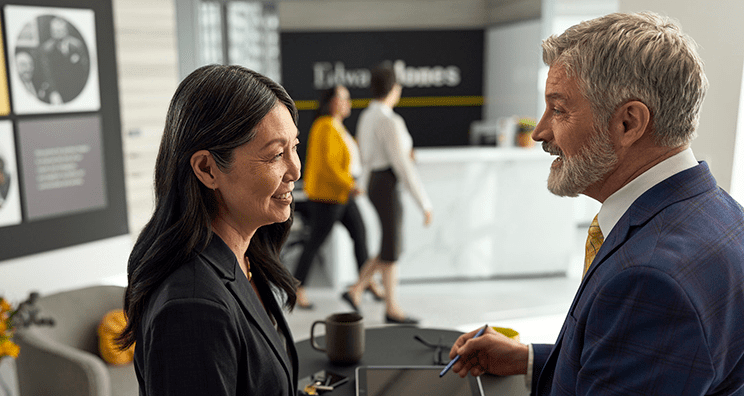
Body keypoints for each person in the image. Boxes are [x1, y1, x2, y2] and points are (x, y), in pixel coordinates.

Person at [447, 12, 744, 395]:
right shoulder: (724, 216)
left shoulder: (651, 280)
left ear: (628, 123)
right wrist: (529, 359)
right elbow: (644, 363)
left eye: (558, 109)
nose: (539, 132)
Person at [117, 64, 302, 395]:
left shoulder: (245, 257)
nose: (295, 169)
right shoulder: (192, 309)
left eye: (295, 147)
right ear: (207, 168)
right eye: (276, 154)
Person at [343, 64, 433, 325]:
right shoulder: (389, 120)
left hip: (375, 185)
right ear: (394, 89)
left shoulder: (367, 116)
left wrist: (362, 181)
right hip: (387, 184)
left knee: (389, 245)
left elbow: (366, 157)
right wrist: (424, 203)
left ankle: (359, 289)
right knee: (391, 247)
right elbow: (402, 164)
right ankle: (388, 306)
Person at [293, 85, 382, 309]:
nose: (348, 102)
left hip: (341, 196)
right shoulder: (324, 126)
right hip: (328, 198)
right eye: (344, 98)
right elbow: (329, 166)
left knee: (359, 234)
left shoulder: (337, 126)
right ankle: (296, 287)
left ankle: (364, 282)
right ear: (332, 102)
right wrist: (350, 184)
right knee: (315, 242)